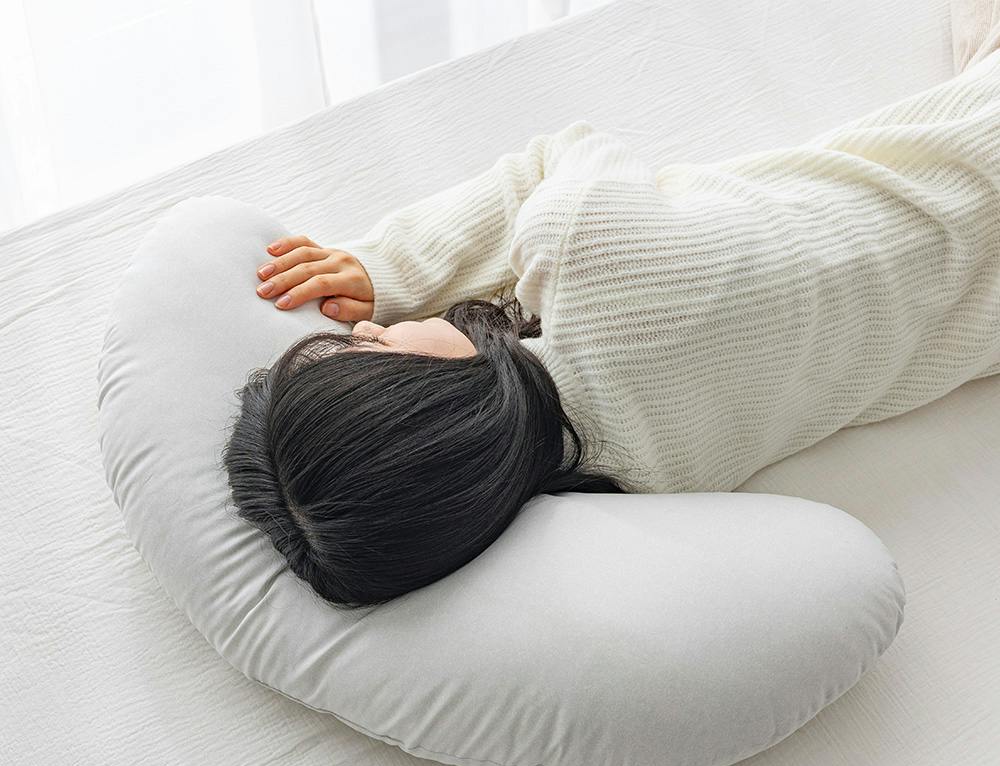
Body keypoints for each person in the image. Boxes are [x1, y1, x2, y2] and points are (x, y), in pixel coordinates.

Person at [223, 34, 1000, 609]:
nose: (365, 328)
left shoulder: (644, 493)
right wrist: (395, 266)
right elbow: (564, 155)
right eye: (374, 347)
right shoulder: (582, 246)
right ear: (435, 404)